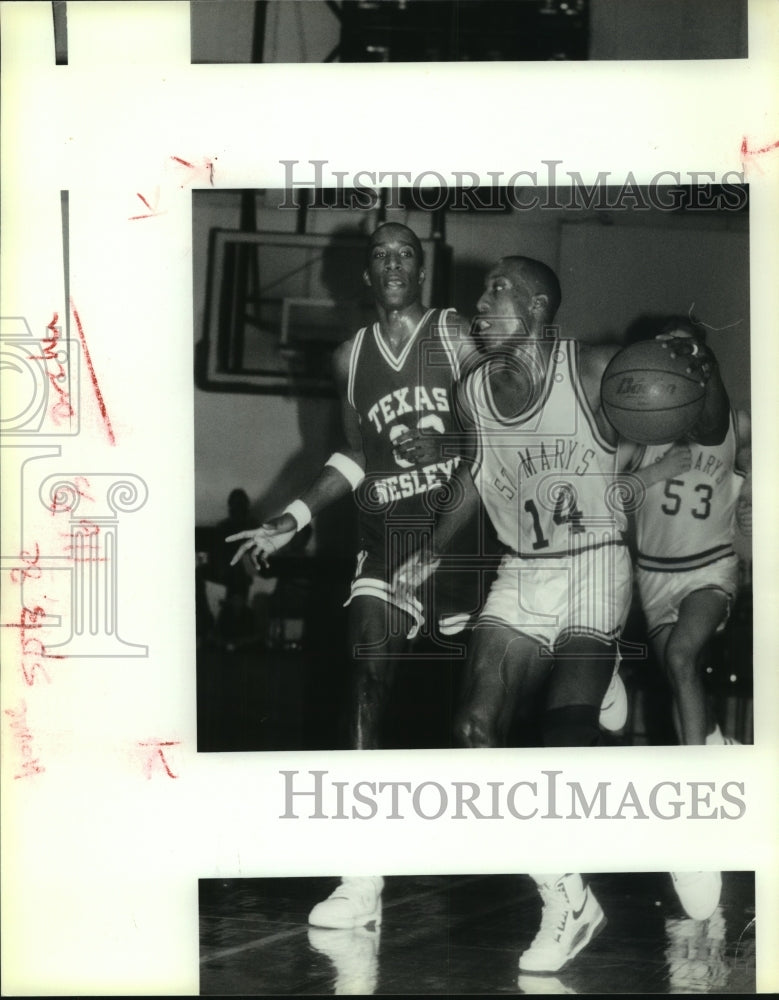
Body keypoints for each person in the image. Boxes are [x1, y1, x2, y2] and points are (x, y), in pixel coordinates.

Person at [393, 256, 729, 973]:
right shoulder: (473, 391)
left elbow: (700, 433)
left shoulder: (593, 371)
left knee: (563, 742)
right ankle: (567, 899)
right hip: (521, 572)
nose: (479, 304)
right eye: (482, 293)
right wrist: (429, 549)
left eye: (497, 291)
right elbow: (472, 479)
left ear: (539, 308)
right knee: (471, 731)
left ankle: (611, 703)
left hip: (593, 564)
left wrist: (696, 374)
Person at [227, 221, 480, 927]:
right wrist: (293, 518)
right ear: (364, 277)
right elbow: (352, 453)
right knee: (365, 672)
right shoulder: (349, 357)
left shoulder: (454, 335)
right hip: (388, 538)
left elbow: (497, 429)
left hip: (463, 528)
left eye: (406, 253)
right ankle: (359, 878)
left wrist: (449, 445)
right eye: (381, 256)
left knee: (490, 710)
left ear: (421, 271)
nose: (394, 263)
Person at [625, 317, 751, 746]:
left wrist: (755, 500)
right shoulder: (637, 428)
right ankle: (714, 742)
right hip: (654, 577)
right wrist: (652, 473)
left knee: (681, 658)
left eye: (686, 350)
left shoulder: (735, 422)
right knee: (682, 677)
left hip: (708, 569)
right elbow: (606, 495)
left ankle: (695, 776)